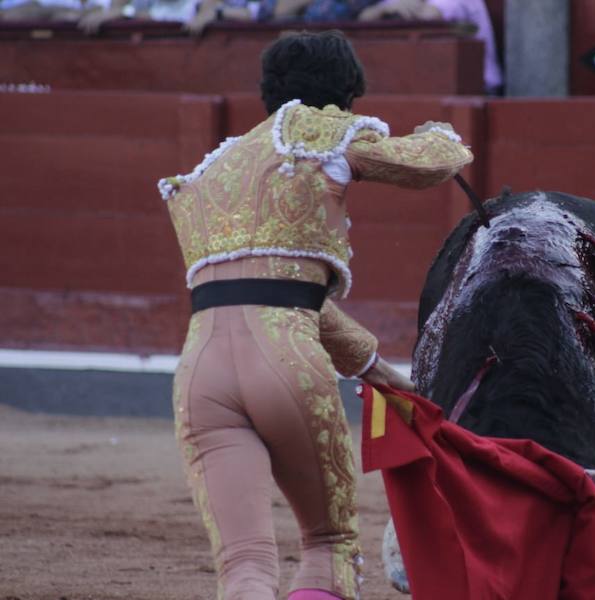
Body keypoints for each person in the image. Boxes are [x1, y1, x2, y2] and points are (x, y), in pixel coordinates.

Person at [158, 30, 472, 600]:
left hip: (199, 377)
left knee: (246, 565)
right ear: (346, 95)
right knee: (328, 545)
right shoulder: (319, 130)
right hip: (285, 362)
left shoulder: (209, 173)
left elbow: (275, 292)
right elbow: (431, 164)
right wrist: (440, 134)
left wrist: (376, 369)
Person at [358, 0, 503, 95]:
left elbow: (428, 16)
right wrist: (386, 9)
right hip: (421, 90)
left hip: (477, 92)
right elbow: (364, 18)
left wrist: (395, 8)